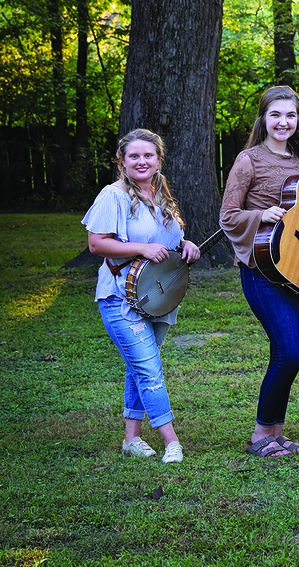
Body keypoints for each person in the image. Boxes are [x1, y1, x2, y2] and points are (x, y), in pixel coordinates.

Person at [82, 128, 200, 464]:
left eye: (148, 155)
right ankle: (171, 442)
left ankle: (131, 439)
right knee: (149, 369)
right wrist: (141, 248)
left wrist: (185, 245)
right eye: (134, 156)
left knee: (138, 367)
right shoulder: (112, 196)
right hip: (121, 298)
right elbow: (96, 243)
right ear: (121, 161)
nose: (142, 161)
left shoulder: (160, 194)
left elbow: (169, 239)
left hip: (156, 296)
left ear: (159, 159)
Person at [219, 85, 299, 458]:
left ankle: (276, 432)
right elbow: (227, 216)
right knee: (290, 352)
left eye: (290, 115)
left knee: (286, 352)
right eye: (276, 114)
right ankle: (261, 435)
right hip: (262, 268)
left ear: (298, 120)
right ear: (263, 118)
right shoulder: (248, 160)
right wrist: (262, 214)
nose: (283, 122)